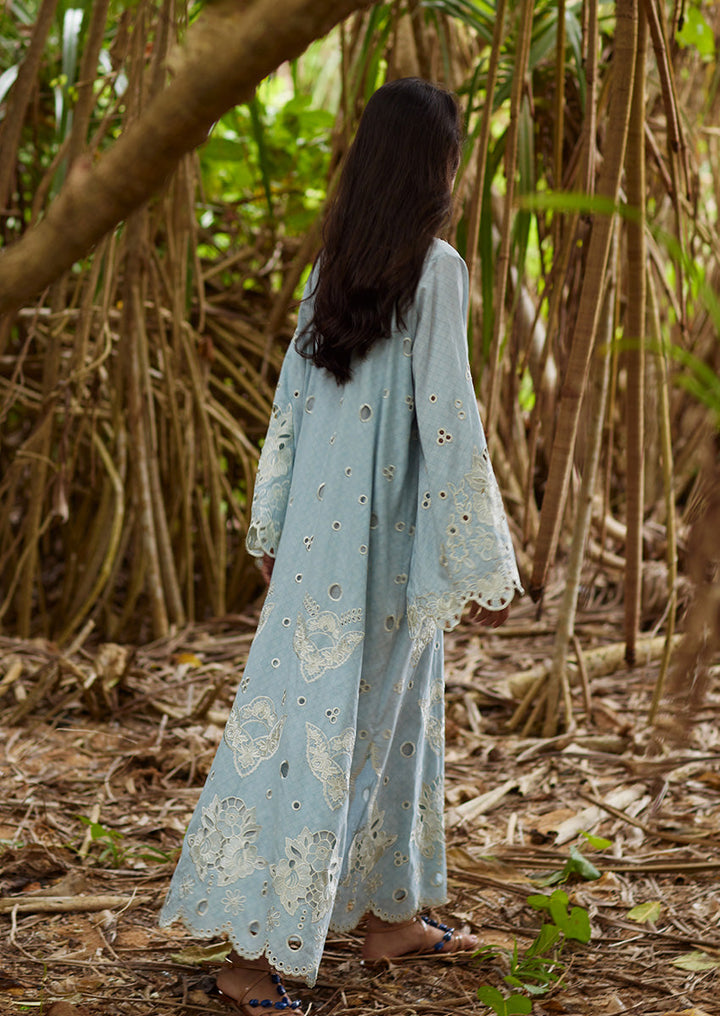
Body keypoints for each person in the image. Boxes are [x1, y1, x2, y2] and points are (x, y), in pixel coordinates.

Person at [159, 77, 523, 1012]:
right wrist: (482, 559)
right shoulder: (436, 270)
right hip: (382, 553)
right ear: (435, 168)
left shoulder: (334, 268)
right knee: (339, 738)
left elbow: (289, 408)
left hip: (324, 548)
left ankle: (389, 917)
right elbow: (449, 418)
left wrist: (274, 525)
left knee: (371, 728)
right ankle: (250, 961)